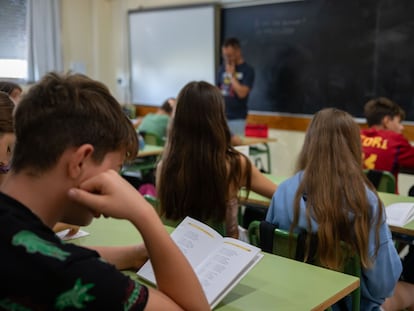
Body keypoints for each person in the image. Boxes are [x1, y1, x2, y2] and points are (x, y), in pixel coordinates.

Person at [0, 72, 209, 310]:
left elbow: (50, 250)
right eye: (115, 169)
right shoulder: (78, 277)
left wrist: (132, 255)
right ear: (79, 161)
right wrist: (145, 215)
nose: (117, 181)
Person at [265, 108, 402, 310]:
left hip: (293, 301)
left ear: (310, 143)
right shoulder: (365, 202)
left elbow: (272, 255)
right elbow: (383, 286)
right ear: (354, 146)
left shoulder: (284, 191)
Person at [156, 81, 277, 238]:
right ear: (218, 119)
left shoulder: (163, 167)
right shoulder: (234, 164)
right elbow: (278, 194)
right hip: (221, 255)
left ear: (177, 120)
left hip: (177, 252)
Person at [360, 97, 414, 193]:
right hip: (385, 203)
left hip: (354, 199)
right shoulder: (395, 140)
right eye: (399, 122)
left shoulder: (356, 136)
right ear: (387, 121)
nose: (402, 128)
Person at [216, 37, 254, 136]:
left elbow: (242, 94)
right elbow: (216, 92)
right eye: (224, 55)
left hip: (237, 118)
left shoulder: (247, 70)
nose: (226, 58)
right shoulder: (221, 69)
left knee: (236, 149)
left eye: (229, 55)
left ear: (238, 52)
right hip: (221, 118)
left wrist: (232, 75)